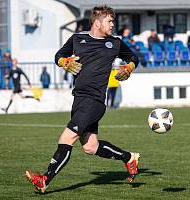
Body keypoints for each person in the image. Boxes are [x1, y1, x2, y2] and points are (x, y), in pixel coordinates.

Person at [25, 5, 140, 193]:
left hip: (94, 101)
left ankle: (45, 179)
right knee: (90, 147)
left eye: (113, 21)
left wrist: (129, 68)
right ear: (97, 22)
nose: (113, 25)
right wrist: (64, 62)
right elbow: (59, 55)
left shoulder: (115, 43)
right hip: (78, 99)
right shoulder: (77, 39)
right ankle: (129, 158)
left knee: (66, 137)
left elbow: (134, 57)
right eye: (109, 21)